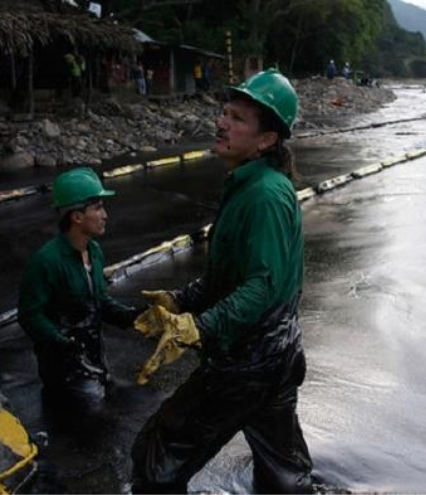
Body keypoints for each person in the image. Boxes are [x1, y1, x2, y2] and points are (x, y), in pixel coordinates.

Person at [131, 68, 313, 495]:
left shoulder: (264, 195)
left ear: (266, 140)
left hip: (250, 360)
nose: (221, 122)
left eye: (237, 118)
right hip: (279, 353)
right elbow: (233, 274)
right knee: (282, 470)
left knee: (157, 456)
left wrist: (202, 326)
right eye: (224, 112)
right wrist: (181, 301)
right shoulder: (250, 184)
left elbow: (261, 286)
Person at [18, 168, 141, 407]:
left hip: (94, 361)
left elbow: (98, 300)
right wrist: (62, 342)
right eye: (97, 208)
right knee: (89, 424)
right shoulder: (47, 261)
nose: (105, 215)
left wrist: (133, 317)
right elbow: (29, 314)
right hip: (63, 371)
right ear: (77, 217)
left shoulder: (94, 251)